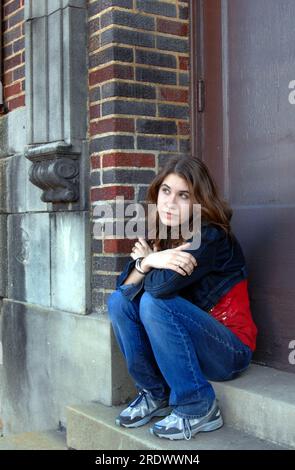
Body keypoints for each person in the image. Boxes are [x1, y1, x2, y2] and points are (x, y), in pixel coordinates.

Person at [107, 155, 257, 441]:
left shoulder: (210, 236)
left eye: (183, 195)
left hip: (229, 350)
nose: (170, 202)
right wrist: (150, 262)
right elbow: (124, 291)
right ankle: (155, 394)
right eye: (166, 191)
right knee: (119, 303)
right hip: (189, 348)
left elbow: (158, 291)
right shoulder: (164, 236)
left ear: (198, 201)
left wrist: (150, 260)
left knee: (153, 302)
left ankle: (197, 405)